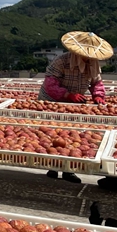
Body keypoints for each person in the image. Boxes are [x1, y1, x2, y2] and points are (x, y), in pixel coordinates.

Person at [38, 31, 113, 184]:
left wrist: (98, 95)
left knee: (72, 135)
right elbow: (50, 83)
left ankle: (68, 170)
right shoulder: (62, 61)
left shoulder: (93, 64)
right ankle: (53, 166)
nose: (87, 57)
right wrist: (67, 95)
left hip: (74, 102)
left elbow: (96, 83)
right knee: (53, 133)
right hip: (52, 101)